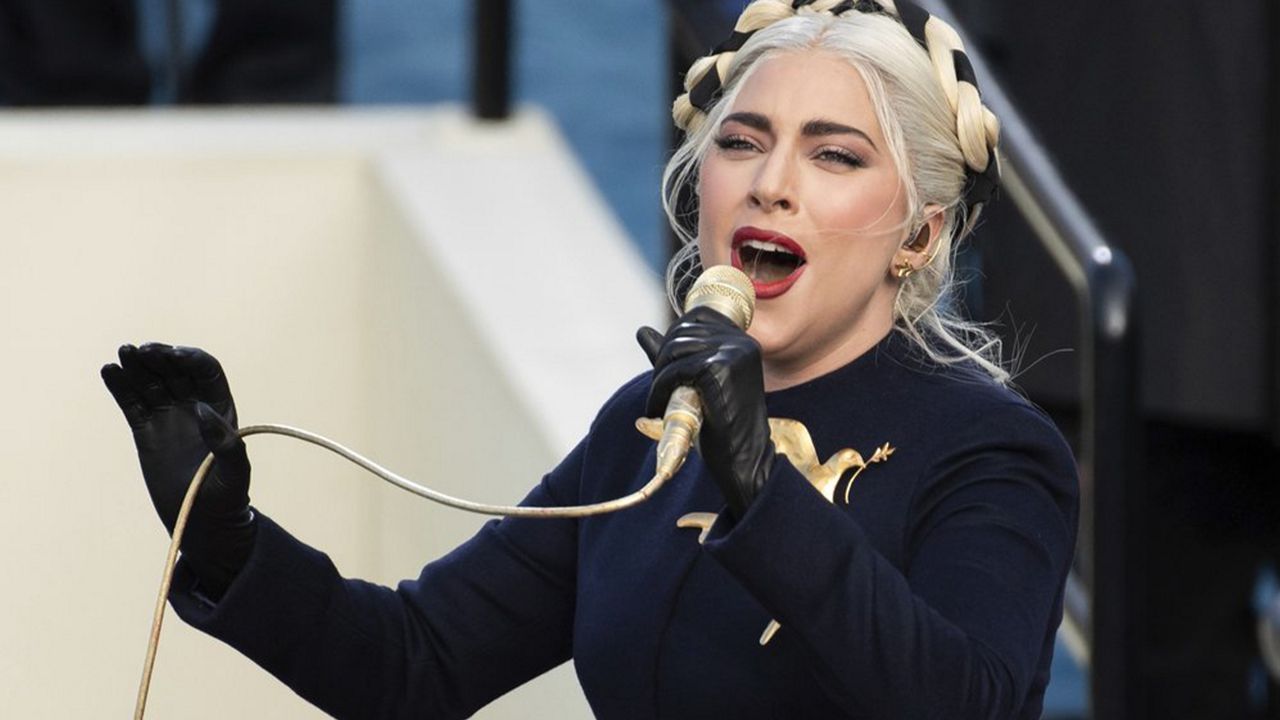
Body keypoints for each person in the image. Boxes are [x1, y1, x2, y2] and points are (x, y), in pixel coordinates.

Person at [101, 1, 1078, 717]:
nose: (771, 184)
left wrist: (760, 488)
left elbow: (967, 705)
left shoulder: (990, 452)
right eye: (741, 142)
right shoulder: (646, 427)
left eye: (834, 156)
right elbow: (415, 663)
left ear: (918, 234)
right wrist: (226, 538)